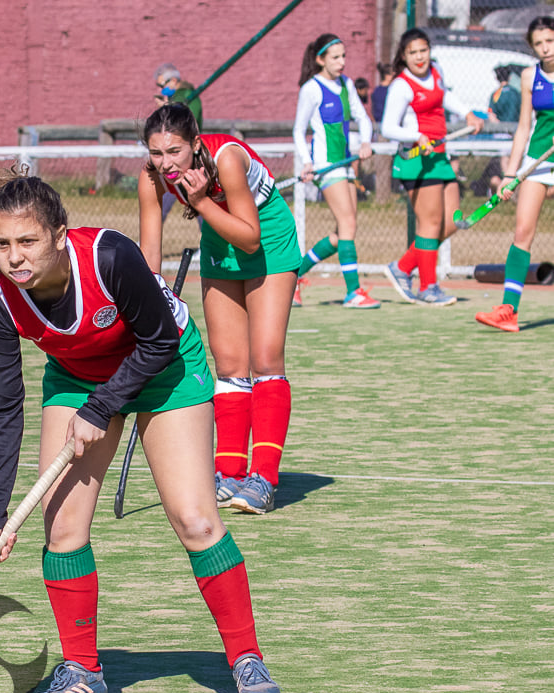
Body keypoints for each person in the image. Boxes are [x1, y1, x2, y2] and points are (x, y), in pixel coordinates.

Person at [0, 169, 281, 693]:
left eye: (27, 241)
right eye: (2, 245)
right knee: (61, 527)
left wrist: (102, 408)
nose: (14, 258)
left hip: (166, 366)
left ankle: (246, 658)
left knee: (196, 519)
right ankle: (84, 672)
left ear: (59, 235)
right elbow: (3, 408)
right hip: (78, 376)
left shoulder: (110, 257)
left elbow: (159, 339)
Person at [138, 104, 297, 515]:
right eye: (156, 153)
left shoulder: (226, 158)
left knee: (264, 357)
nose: (165, 163)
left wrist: (202, 202)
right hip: (216, 240)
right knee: (228, 363)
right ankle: (228, 473)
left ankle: (264, 478)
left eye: (174, 152)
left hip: (266, 238)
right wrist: (151, 296)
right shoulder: (151, 176)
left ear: (194, 144)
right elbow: (150, 248)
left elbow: (249, 237)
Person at [380, 27, 483, 306]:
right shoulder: (401, 85)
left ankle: (402, 267)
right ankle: (428, 287)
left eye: (423, 50)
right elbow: (388, 127)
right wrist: (417, 136)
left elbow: (443, 96)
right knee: (430, 223)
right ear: (404, 55)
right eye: (413, 53)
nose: (419, 57)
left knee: (451, 222)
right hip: (415, 160)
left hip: (439, 156)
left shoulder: (436, 71)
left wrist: (468, 113)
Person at [476, 17, 554, 332]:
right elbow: (523, 127)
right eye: (538, 44)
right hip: (538, 161)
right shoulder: (529, 76)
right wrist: (511, 173)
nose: (545, 49)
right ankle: (509, 310)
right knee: (522, 232)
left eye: (550, 40)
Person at [290, 34, 379, 309]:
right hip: (326, 167)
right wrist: (307, 162)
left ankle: (293, 278)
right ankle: (353, 292)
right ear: (320, 59)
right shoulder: (311, 89)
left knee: (342, 233)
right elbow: (298, 130)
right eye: (335, 57)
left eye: (344, 56)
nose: (342, 62)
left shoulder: (346, 84)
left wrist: (366, 142)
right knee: (348, 224)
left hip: (346, 163)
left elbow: (362, 117)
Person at [153, 63, 203, 130]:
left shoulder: (188, 95)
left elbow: (190, 122)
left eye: (162, 85)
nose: (160, 89)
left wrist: (166, 108)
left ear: (173, 80)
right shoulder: (173, 97)